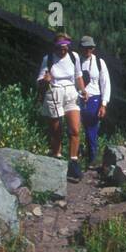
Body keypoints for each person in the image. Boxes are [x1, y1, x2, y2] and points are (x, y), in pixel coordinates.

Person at [37, 33, 86, 181]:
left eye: (65, 48)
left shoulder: (74, 57)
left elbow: (78, 76)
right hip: (54, 92)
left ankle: (73, 162)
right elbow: (39, 81)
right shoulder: (48, 59)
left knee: (75, 130)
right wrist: (45, 80)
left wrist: (83, 90)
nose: (62, 51)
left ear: (68, 46)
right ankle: (57, 158)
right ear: (55, 46)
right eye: (60, 48)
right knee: (56, 130)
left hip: (71, 92)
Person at [78, 35, 110, 170]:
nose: (88, 50)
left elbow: (106, 84)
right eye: (85, 48)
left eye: (90, 48)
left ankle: (92, 160)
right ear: (81, 48)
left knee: (92, 132)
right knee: (75, 131)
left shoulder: (99, 62)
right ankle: (76, 159)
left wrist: (103, 104)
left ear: (93, 48)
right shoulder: (75, 61)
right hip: (77, 99)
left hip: (94, 101)